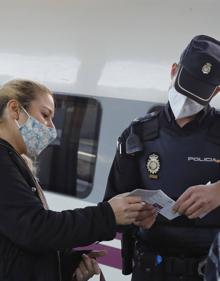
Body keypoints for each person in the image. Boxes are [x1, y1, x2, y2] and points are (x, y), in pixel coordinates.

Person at [0, 79, 145, 281]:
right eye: (45, 115)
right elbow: (35, 229)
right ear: (15, 109)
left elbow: (17, 245)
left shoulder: (14, 161)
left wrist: (67, 266)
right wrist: (108, 215)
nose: (51, 127)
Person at [104, 34, 220, 281]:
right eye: (184, 86)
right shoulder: (137, 135)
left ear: (217, 90)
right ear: (173, 70)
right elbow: (109, 209)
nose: (187, 101)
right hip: (150, 269)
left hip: (209, 271)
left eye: (198, 94)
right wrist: (134, 217)